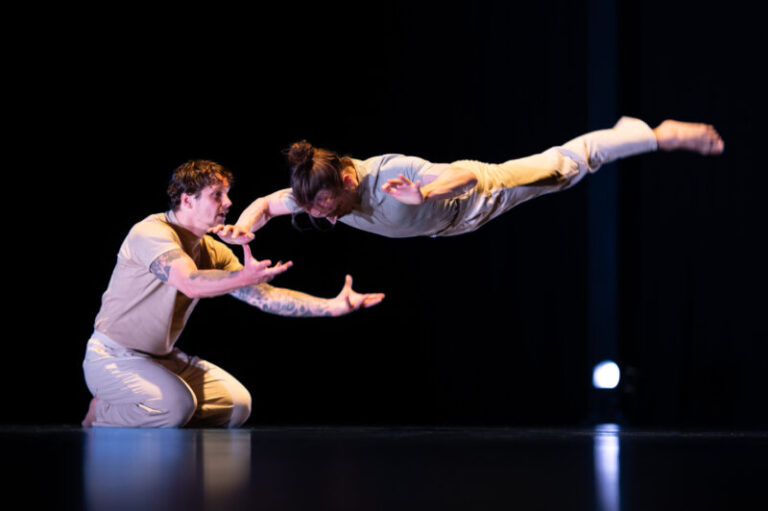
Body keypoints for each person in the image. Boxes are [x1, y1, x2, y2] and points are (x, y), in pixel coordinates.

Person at [82, 160, 385, 428]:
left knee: (236, 406)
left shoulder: (212, 250)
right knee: (176, 408)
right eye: (217, 195)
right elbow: (189, 282)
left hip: (162, 359)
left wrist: (332, 307)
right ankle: (104, 411)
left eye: (226, 194)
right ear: (188, 200)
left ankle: (160, 408)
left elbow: (264, 297)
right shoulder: (151, 233)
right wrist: (240, 276)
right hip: (112, 357)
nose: (228, 203)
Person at [211, 117, 724, 241]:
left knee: (571, 165)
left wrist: (425, 191)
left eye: (323, 204)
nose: (319, 214)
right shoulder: (316, 195)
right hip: (451, 224)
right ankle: (634, 133)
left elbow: (456, 177)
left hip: (486, 191)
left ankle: (654, 134)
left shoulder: (389, 174)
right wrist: (245, 228)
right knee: (572, 166)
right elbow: (266, 203)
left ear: (347, 178)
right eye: (314, 207)